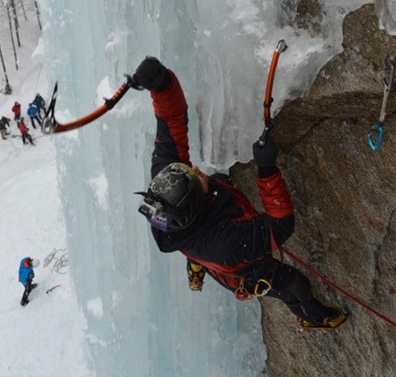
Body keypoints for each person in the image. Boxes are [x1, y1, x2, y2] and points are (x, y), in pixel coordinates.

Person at [131, 57, 347, 331]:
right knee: (295, 286)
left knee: (219, 179)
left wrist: (161, 84)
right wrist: (267, 169)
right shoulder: (227, 243)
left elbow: (171, 118)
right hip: (242, 270)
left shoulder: (166, 186)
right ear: (197, 203)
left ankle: (196, 264)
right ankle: (314, 317)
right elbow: (281, 224)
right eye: (195, 178)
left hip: (197, 237)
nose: (195, 168)